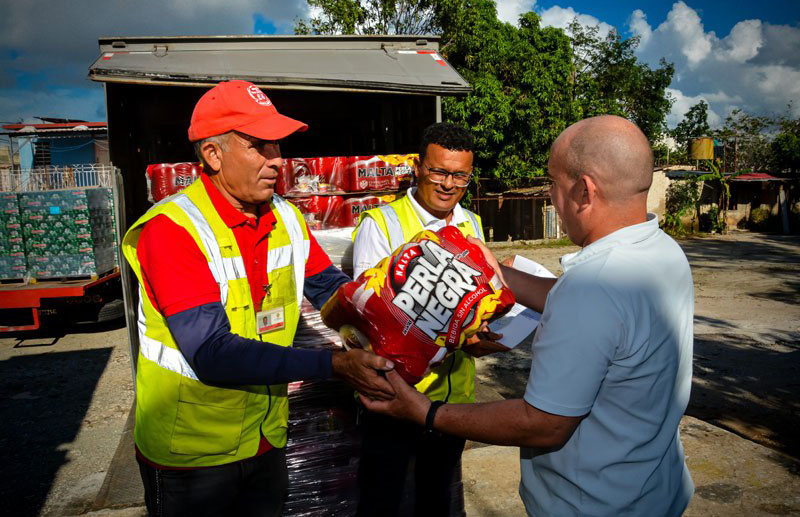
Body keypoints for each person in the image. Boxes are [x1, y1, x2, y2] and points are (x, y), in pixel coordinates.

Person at [362, 115, 695, 516]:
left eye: (552, 184)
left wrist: (425, 412)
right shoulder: (662, 251)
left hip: (592, 503)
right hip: (653, 488)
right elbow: (583, 301)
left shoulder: (594, 287)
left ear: (584, 191)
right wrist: (500, 273)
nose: (551, 195)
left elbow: (543, 423)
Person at [121, 80, 395, 517]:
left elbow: (329, 290)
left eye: (278, 145)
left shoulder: (284, 216)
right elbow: (211, 352)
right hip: (193, 455)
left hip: (264, 437)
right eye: (258, 146)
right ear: (212, 155)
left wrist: (403, 317)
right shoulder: (171, 231)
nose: (277, 160)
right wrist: (335, 364)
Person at [352, 122, 507, 516]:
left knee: (438, 502)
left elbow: (476, 298)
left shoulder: (470, 223)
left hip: (452, 400)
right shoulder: (380, 224)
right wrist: (457, 336)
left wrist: (483, 330)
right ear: (418, 167)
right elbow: (372, 318)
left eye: (459, 175)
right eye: (439, 171)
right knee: (384, 502)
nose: (448, 184)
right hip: (392, 396)